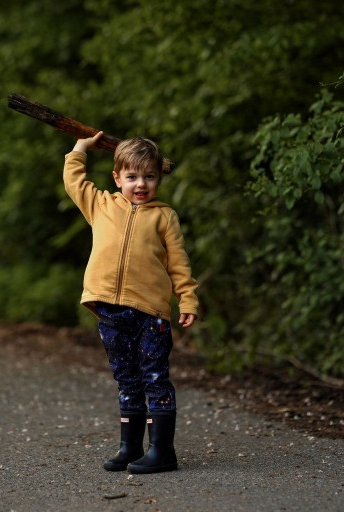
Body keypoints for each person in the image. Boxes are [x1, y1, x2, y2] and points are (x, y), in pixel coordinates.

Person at [63, 131, 199, 474]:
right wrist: (80, 148)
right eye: (133, 176)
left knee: (154, 377)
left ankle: (162, 451)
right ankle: (130, 447)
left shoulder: (164, 217)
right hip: (110, 311)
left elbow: (178, 262)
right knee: (126, 378)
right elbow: (74, 181)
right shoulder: (101, 205)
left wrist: (187, 299)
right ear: (117, 178)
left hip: (149, 312)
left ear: (158, 179)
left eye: (149, 176)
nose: (141, 184)